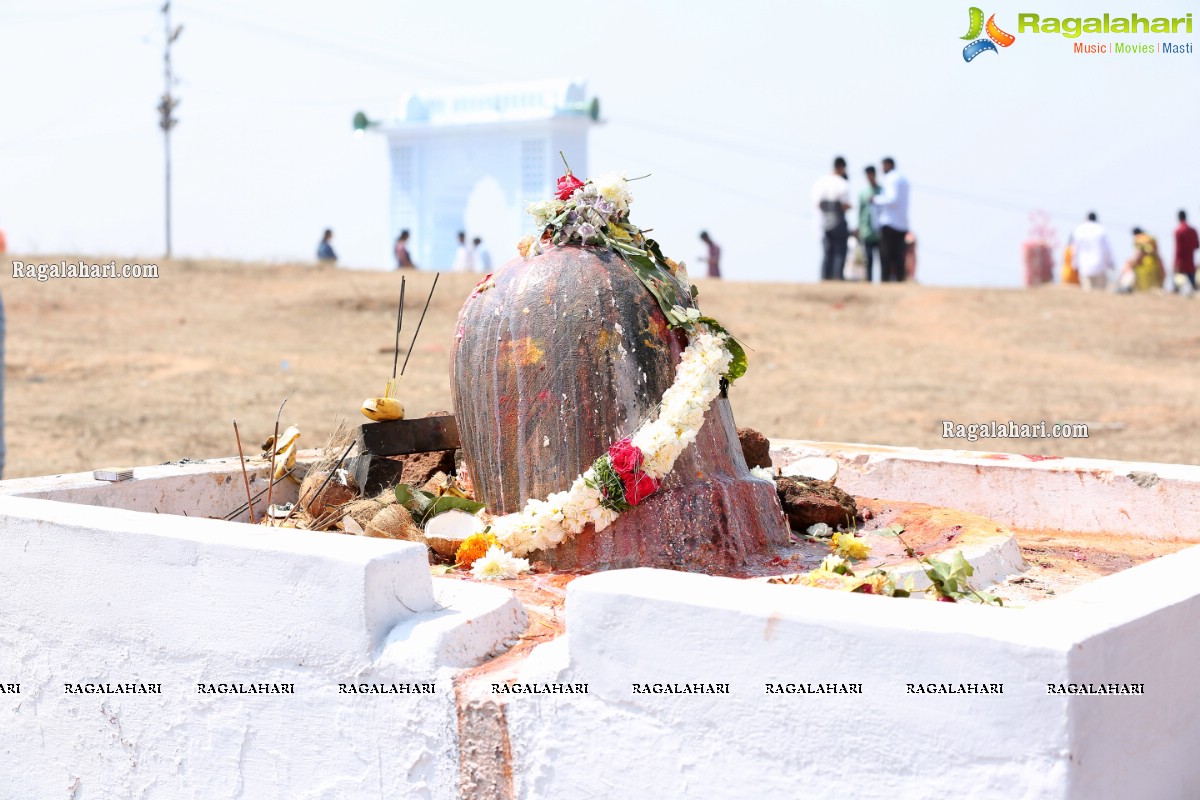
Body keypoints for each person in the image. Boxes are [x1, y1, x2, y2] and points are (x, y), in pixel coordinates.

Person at [811, 156, 851, 281]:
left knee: (827, 253)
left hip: (823, 223)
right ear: (841, 167)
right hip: (838, 221)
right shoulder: (842, 183)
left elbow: (817, 203)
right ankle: (837, 278)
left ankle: (825, 279)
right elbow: (844, 205)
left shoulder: (820, 182)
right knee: (839, 253)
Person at [872, 157, 910, 282]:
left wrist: (875, 199)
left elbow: (892, 199)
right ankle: (900, 279)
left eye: (883, 166)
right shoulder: (903, 179)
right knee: (899, 255)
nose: (882, 169)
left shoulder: (891, 179)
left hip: (889, 223)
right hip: (902, 223)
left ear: (888, 165)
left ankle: (886, 280)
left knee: (886, 255)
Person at [1071, 212, 1114, 291]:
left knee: (1088, 293)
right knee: (1100, 294)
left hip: (1084, 266)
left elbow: (1075, 250)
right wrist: (1111, 264)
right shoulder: (1101, 229)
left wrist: (1075, 265)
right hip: (1100, 266)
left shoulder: (1079, 230)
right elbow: (1107, 250)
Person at [857, 166, 881, 282]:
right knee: (868, 259)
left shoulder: (882, 190)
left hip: (880, 231)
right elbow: (860, 212)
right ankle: (869, 280)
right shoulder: (863, 192)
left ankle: (883, 282)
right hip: (867, 231)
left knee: (882, 259)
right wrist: (860, 228)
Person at [1121, 228, 1164, 292]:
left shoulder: (1138, 239)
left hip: (1143, 269)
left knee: (1143, 290)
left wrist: (1131, 264)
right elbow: (1157, 254)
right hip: (1155, 267)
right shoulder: (1151, 239)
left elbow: (1138, 255)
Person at [1173, 210, 1198, 290]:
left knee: (1177, 286)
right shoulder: (1193, 230)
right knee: (1193, 286)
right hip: (1190, 261)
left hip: (1181, 262)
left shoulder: (1178, 231)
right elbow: (1197, 245)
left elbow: (1178, 249)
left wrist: (1176, 263)